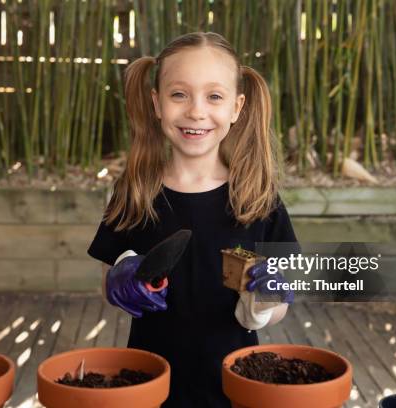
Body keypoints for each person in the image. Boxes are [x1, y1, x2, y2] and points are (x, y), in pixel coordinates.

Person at [88, 31, 299, 407]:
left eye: (214, 96)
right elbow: (107, 284)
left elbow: (280, 305)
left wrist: (265, 300)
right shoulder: (134, 191)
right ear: (157, 103)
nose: (196, 111)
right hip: (149, 384)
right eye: (179, 94)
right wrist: (121, 278)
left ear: (237, 108)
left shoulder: (258, 198)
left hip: (236, 385)